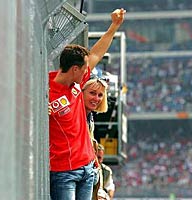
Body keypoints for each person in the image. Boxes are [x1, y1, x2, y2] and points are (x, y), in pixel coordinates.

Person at [48, 8, 126, 200]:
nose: (88, 73)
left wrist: (114, 26)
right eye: (85, 69)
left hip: (87, 168)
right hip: (63, 172)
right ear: (75, 69)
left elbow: (97, 53)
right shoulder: (44, 90)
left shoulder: (77, 83)